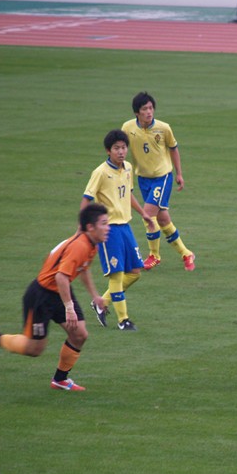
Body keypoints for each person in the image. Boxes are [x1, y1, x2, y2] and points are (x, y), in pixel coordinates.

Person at [0, 204, 111, 391]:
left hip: (59, 292)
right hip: (41, 296)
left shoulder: (91, 244)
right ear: (90, 227)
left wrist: (94, 295)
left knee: (79, 334)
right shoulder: (79, 246)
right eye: (104, 223)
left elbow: (83, 268)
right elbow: (61, 277)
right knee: (34, 349)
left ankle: (60, 380)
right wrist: (69, 308)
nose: (108, 228)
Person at [83, 129, 153, 331]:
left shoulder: (128, 168)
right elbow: (86, 199)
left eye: (123, 148)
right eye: (116, 148)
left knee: (135, 272)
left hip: (125, 227)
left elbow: (127, 194)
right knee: (116, 274)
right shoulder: (100, 172)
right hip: (108, 230)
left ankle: (102, 302)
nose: (121, 152)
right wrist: (83, 227)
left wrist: (143, 213)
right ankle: (123, 320)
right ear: (108, 151)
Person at [121, 92, 196, 272]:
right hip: (143, 179)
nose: (149, 112)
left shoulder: (163, 128)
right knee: (162, 220)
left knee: (148, 214)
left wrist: (179, 173)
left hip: (162, 178)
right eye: (144, 109)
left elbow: (174, 149)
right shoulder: (128, 128)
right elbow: (122, 147)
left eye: (151, 108)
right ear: (137, 112)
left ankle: (154, 255)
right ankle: (186, 253)